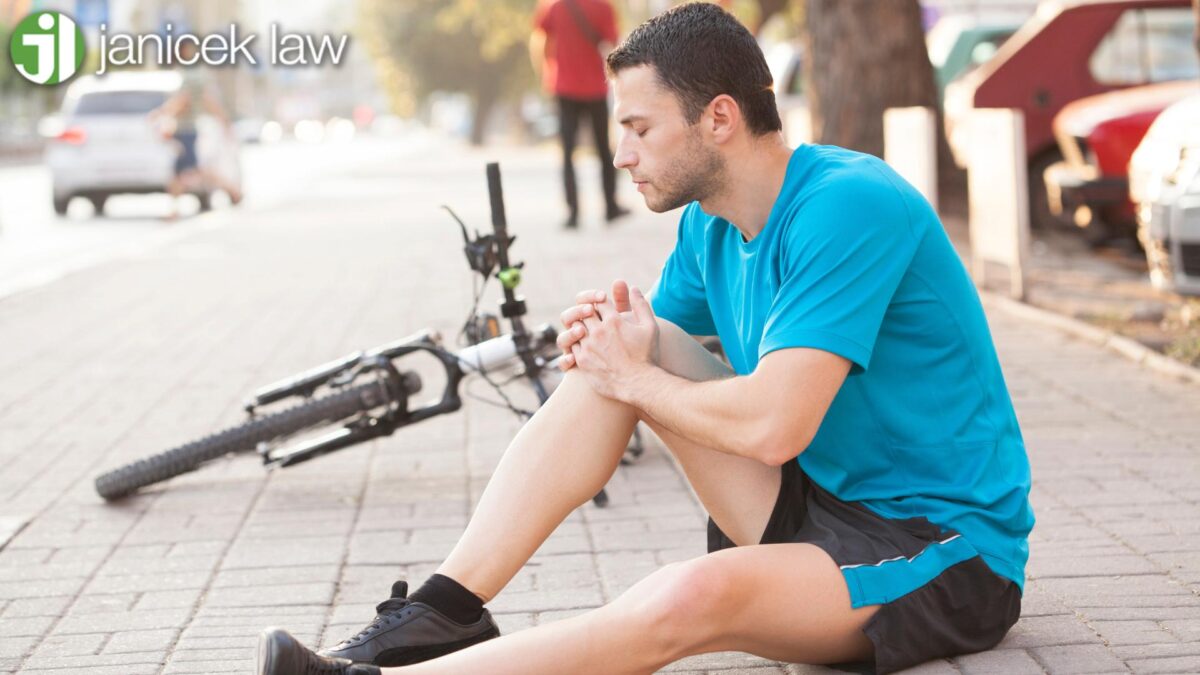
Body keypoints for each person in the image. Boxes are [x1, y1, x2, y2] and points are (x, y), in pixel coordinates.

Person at [255, 4, 1033, 674]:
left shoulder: (849, 204)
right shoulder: (710, 223)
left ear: (717, 118)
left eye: (638, 127)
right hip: (813, 500)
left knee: (693, 590)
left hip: (941, 547)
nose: (621, 152)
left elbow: (772, 425)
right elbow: (638, 354)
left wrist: (633, 378)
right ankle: (444, 607)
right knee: (625, 343)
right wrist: (606, 344)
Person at [531, 0, 629, 228]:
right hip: (595, 86)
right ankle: (610, 207)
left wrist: (548, 72)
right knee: (603, 149)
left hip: (564, 87)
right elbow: (613, 43)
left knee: (567, 152)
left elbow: (543, 41)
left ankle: (573, 213)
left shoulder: (555, 6)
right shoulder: (603, 6)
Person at [149, 45, 243, 220]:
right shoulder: (193, 72)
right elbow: (206, 99)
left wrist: (163, 113)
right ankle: (232, 191)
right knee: (187, 171)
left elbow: (186, 99)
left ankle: (232, 191)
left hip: (186, 129)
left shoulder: (190, 74)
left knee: (190, 171)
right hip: (187, 128)